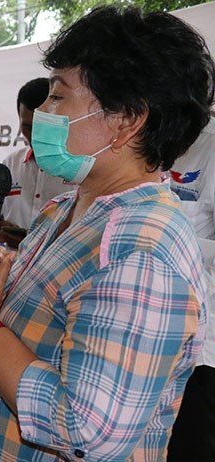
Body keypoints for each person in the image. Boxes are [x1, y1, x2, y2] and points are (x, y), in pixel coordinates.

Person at [0, 7, 213, 461]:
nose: (42, 112)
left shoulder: (140, 252)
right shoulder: (63, 209)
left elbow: (86, 431)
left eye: (58, 96)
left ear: (126, 120)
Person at [167, 115, 215, 461]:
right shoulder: (136, 139)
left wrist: (162, 237)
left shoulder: (210, 146)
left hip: (200, 353)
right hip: (141, 339)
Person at [0, 77, 75, 248]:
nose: (34, 135)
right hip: (10, 261)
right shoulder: (10, 164)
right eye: (27, 126)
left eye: (41, 127)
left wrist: (30, 241)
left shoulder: (78, 168)